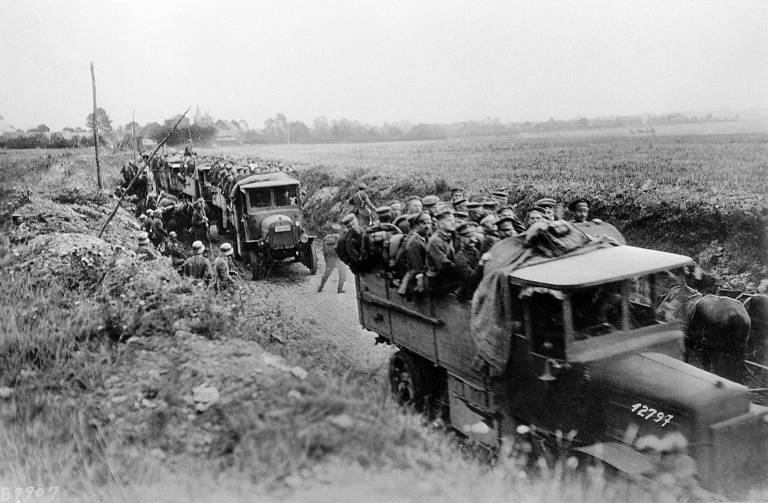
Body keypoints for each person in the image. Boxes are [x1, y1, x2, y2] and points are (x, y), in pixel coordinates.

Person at [426, 207, 458, 293]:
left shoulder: (451, 236)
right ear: (439, 224)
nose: (453, 223)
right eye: (448, 220)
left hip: (447, 276)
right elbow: (444, 265)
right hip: (437, 280)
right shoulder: (435, 241)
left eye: (453, 220)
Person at [401, 211, 432, 296]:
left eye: (429, 223)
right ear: (417, 225)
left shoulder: (425, 237)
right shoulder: (414, 242)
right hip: (416, 276)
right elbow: (416, 265)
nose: (427, 226)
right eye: (423, 223)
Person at [454, 222, 483, 299]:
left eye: (473, 236)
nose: (472, 239)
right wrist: (481, 264)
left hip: (478, 288)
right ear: (461, 238)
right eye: (468, 237)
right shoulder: (460, 257)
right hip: (468, 293)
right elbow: (471, 278)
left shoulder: (475, 251)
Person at [318, 225, 347, 294]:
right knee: (342, 273)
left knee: (326, 273)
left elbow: (323, 250)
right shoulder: (340, 237)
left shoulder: (326, 238)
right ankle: (340, 289)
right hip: (338, 258)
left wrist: (326, 260)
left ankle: (320, 288)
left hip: (329, 258)